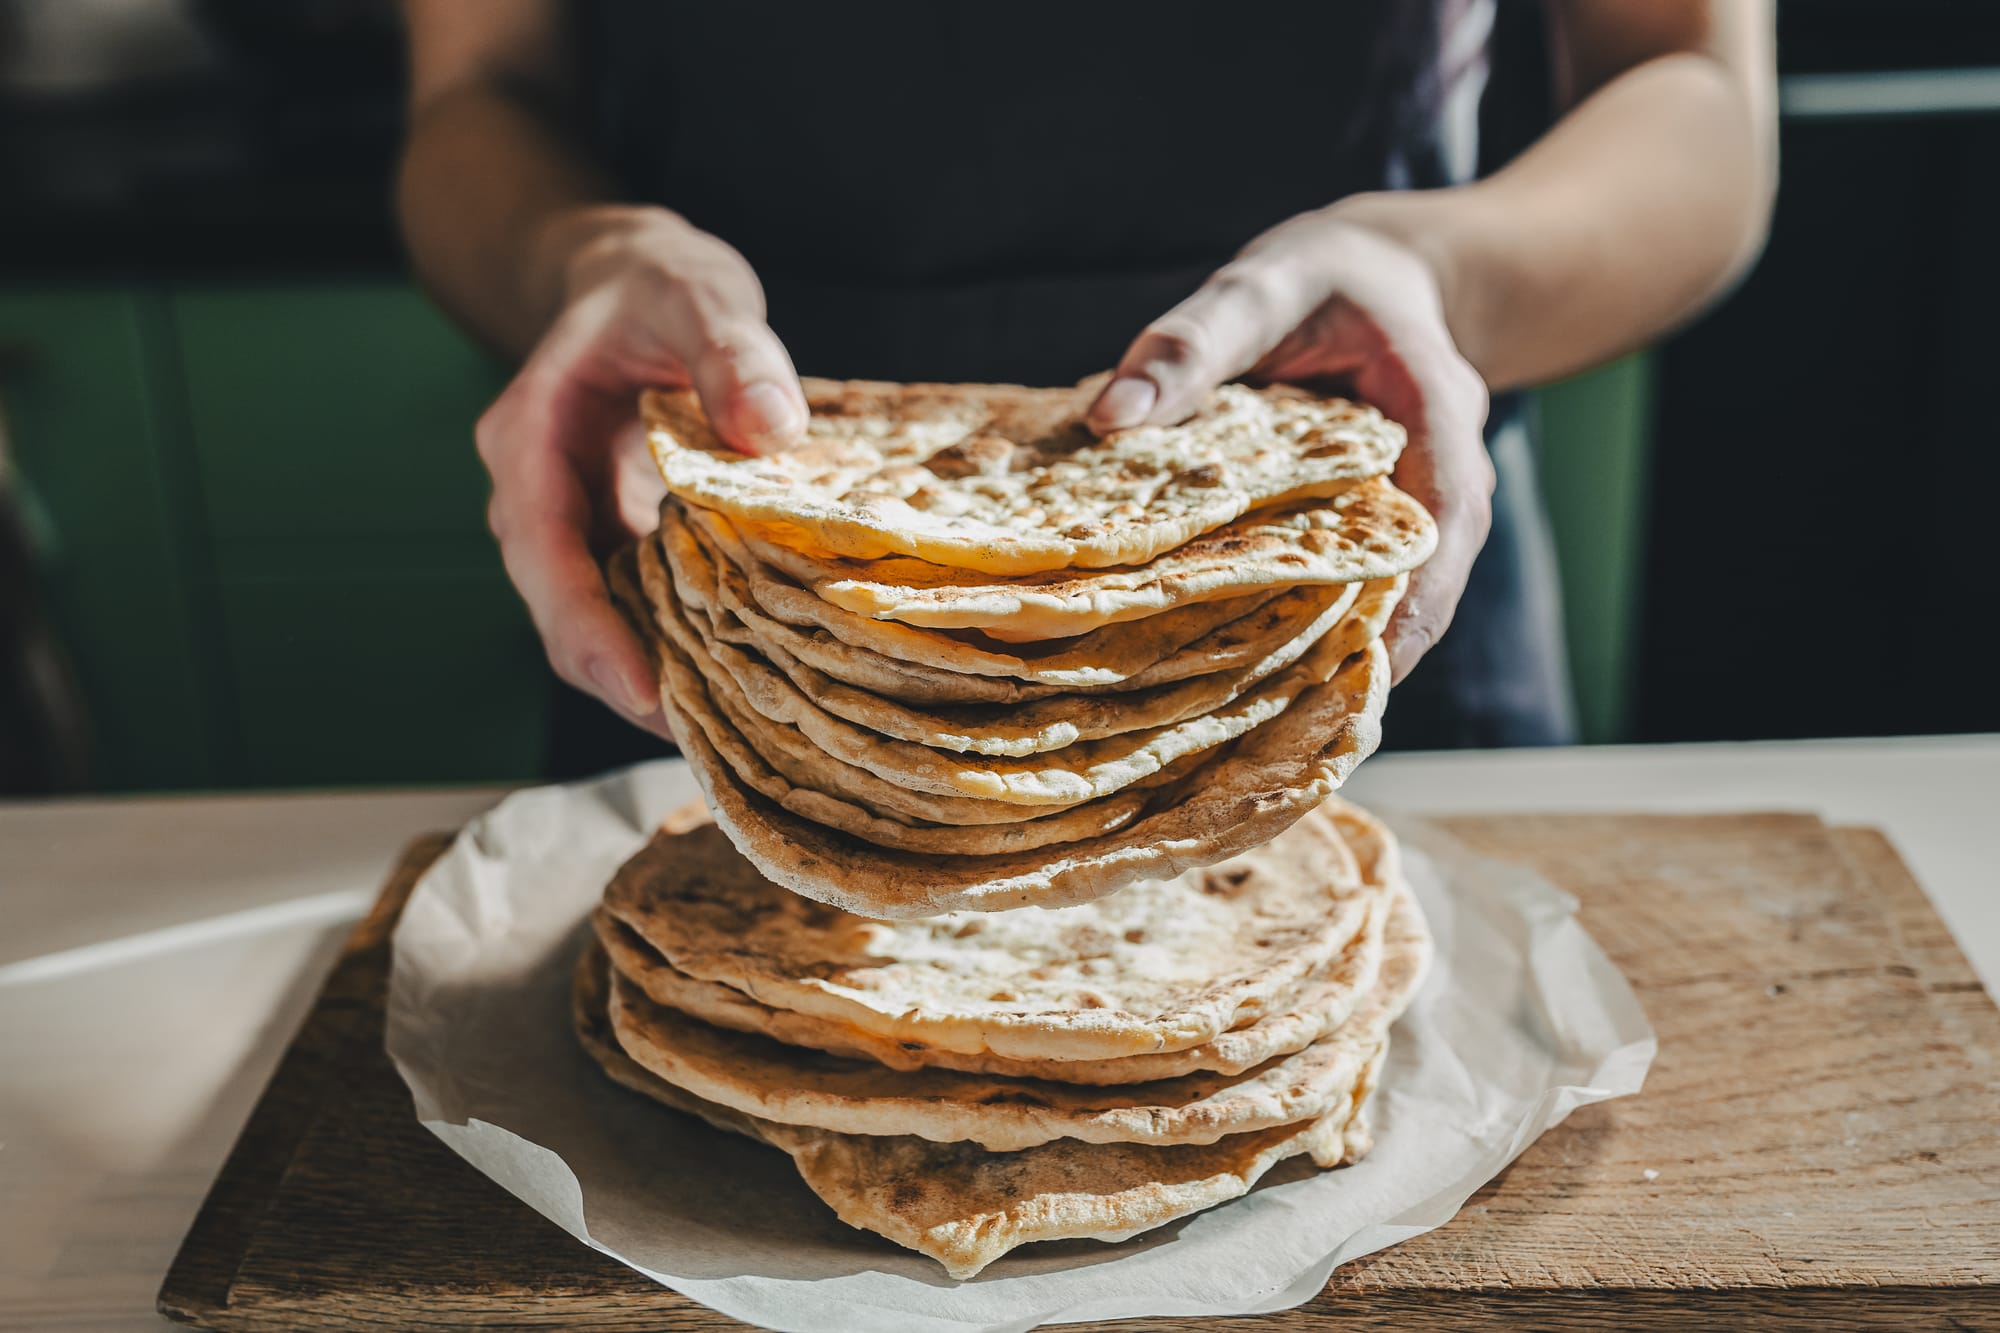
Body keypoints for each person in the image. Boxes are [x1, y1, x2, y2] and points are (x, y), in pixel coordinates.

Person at [397, 0, 1774, 758]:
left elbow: (1693, 94)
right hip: (749, 630)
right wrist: (578, 256)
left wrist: (1437, 273)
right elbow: (479, 95)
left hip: (1343, 599)